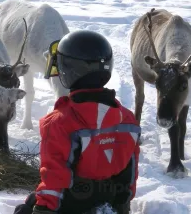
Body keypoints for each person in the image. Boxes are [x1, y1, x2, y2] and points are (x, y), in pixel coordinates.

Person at [14, 30, 141, 214]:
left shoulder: (60, 123)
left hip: (72, 205)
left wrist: (41, 210)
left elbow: (54, 180)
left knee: (24, 209)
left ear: (69, 70)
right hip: (110, 204)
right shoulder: (128, 120)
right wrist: (122, 206)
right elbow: (130, 176)